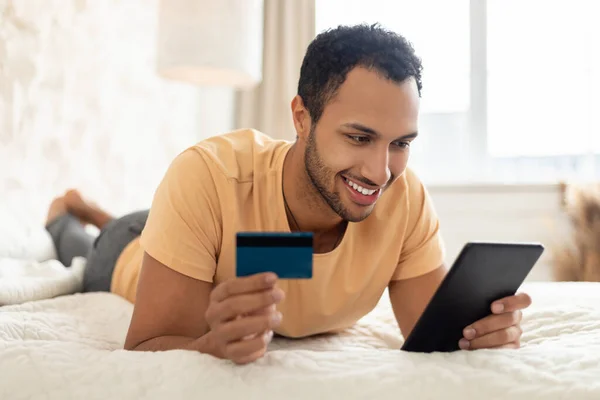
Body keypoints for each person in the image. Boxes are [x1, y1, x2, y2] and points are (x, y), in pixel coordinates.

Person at [46, 24, 531, 365]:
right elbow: (148, 343)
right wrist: (205, 349)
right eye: (359, 138)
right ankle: (71, 212)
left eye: (400, 144)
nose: (381, 171)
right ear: (301, 117)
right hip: (127, 251)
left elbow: (432, 337)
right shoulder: (206, 176)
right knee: (88, 245)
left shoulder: (403, 199)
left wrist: (479, 334)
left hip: (192, 230)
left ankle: (93, 207)